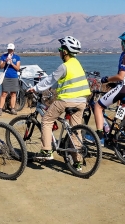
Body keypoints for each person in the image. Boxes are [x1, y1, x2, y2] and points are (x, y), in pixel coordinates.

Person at [26, 36, 90, 170]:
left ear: (65, 51)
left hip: (66, 100)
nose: (59, 51)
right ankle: (77, 162)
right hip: (82, 101)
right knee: (75, 130)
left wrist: (35, 88)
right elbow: (67, 81)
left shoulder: (64, 66)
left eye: (61, 49)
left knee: (47, 120)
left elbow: (50, 80)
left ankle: (46, 150)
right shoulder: (77, 64)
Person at [92, 31, 125, 153]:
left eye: (122, 42)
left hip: (123, 88)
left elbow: (121, 76)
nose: (121, 44)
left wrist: (106, 79)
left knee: (98, 106)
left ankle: (100, 137)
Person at [0, 43, 21, 116]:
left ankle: (12, 108)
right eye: (9, 49)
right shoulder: (3, 56)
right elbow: (0, 67)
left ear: (14, 50)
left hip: (14, 77)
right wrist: (5, 61)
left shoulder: (17, 57)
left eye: (11, 50)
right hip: (6, 77)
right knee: (4, 93)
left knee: (13, 93)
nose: (10, 51)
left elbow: (18, 68)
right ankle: (0, 109)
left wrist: (12, 63)